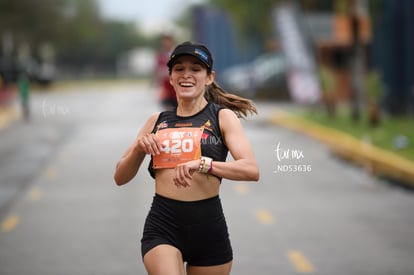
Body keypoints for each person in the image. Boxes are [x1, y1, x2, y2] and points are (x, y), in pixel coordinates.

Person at [114, 41, 260, 275]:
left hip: (209, 228)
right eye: (179, 68)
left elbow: (251, 170)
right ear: (171, 77)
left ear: (209, 77)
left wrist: (204, 164)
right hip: (163, 225)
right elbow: (120, 177)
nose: (186, 75)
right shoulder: (156, 121)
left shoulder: (222, 117)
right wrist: (139, 149)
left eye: (195, 68)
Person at [154, 34, 177, 110]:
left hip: (176, 88)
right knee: (167, 111)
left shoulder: (177, 55)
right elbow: (157, 71)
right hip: (166, 88)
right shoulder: (160, 56)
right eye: (164, 42)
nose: (165, 44)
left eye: (167, 42)